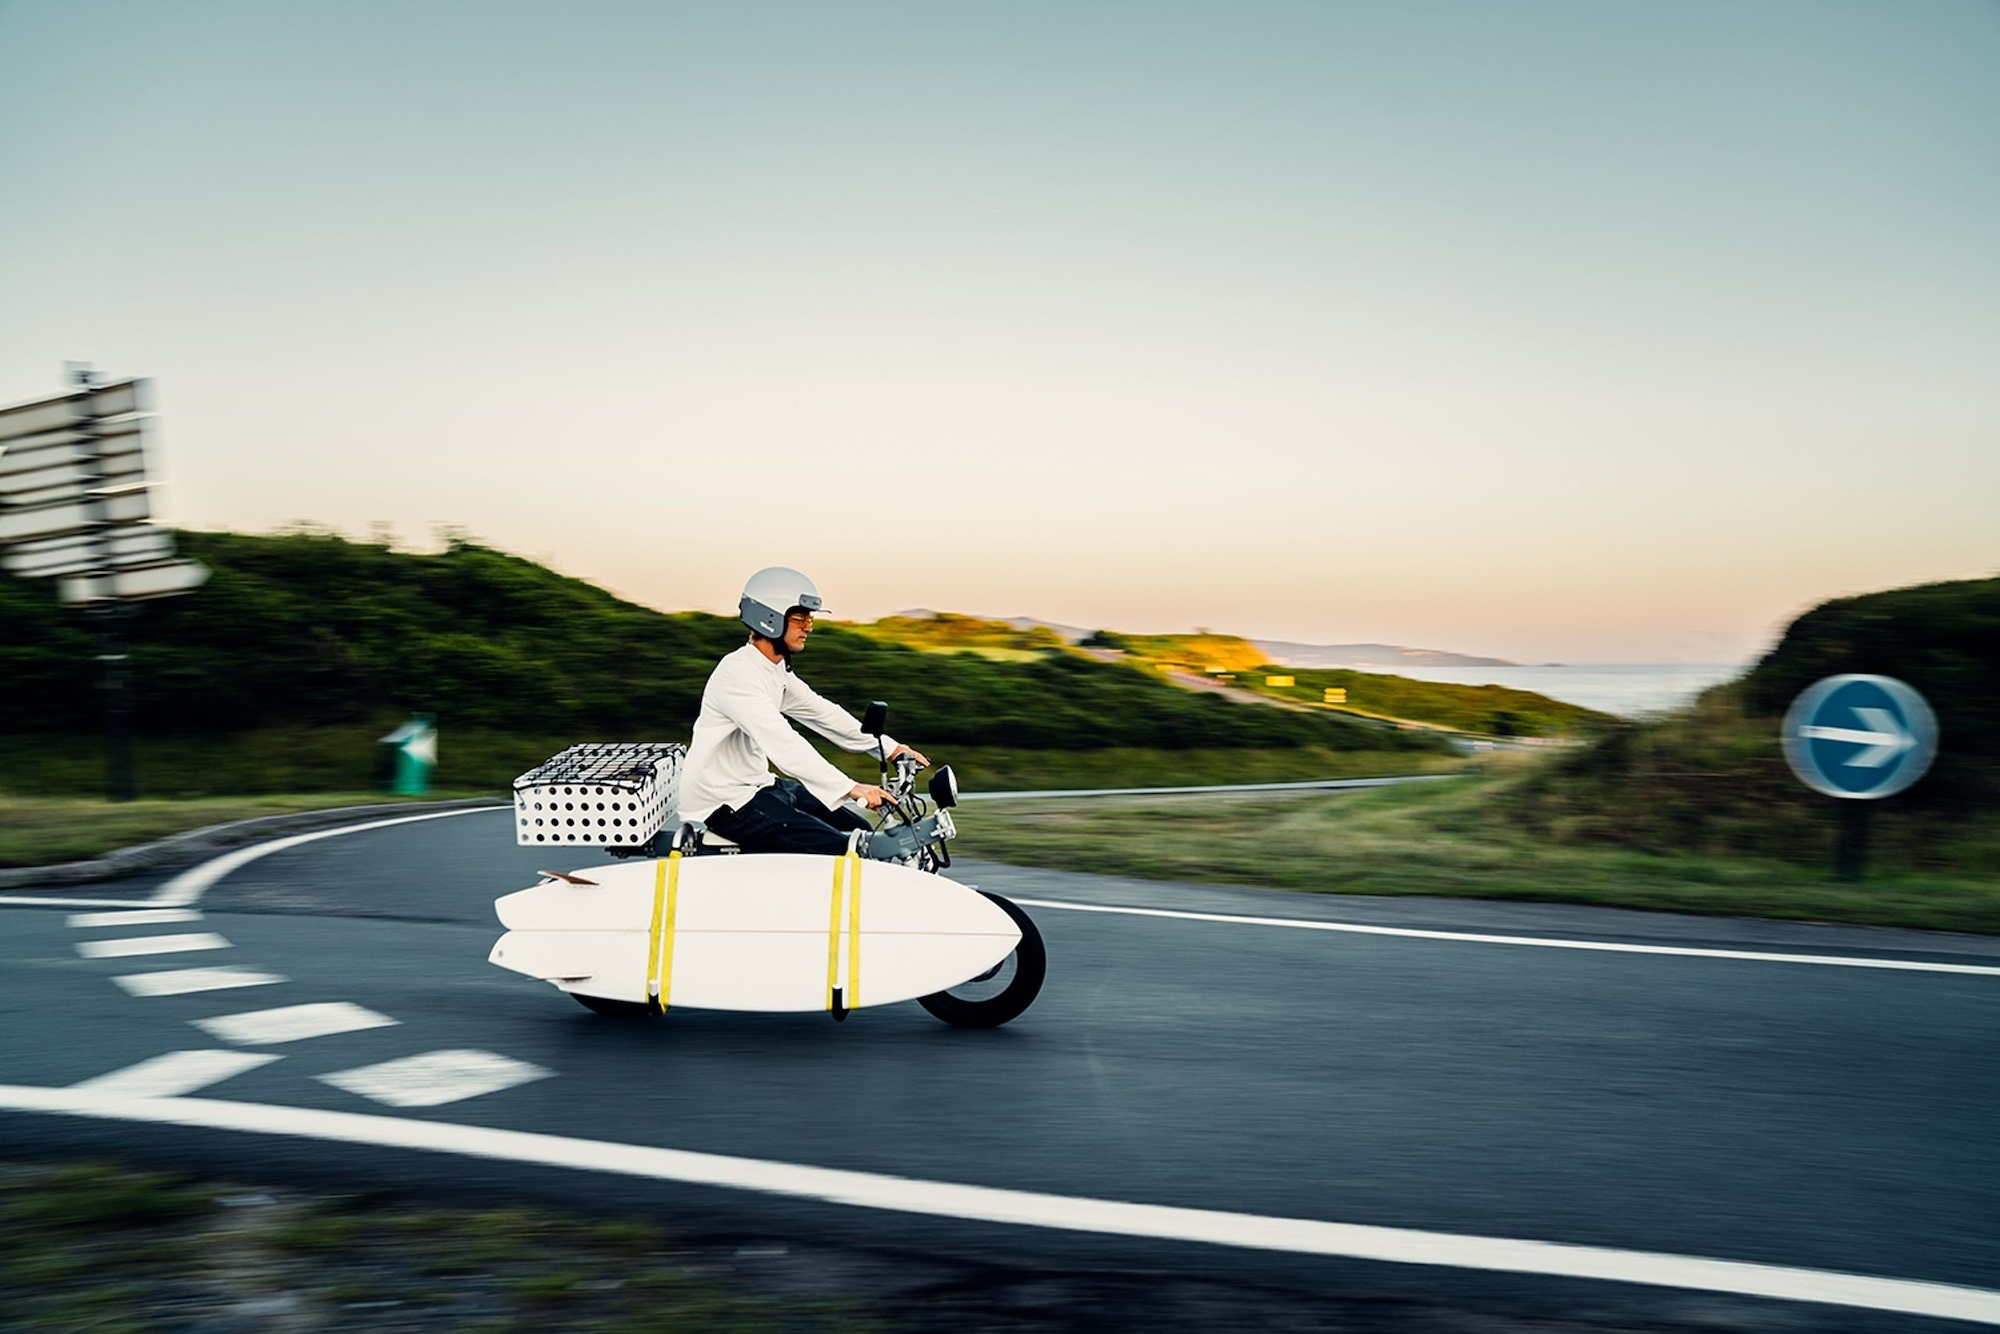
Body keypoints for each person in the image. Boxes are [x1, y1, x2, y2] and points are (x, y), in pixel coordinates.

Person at [678, 567, 930, 859]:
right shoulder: (739, 674)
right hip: (724, 801)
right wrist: (851, 788)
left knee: (859, 829)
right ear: (769, 617)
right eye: (800, 618)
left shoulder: (774, 669)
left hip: (759, 786)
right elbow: (783, 743)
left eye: (809, 618)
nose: (808, 626)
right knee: (851, 850)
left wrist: (890, 748)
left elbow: (823, 714)